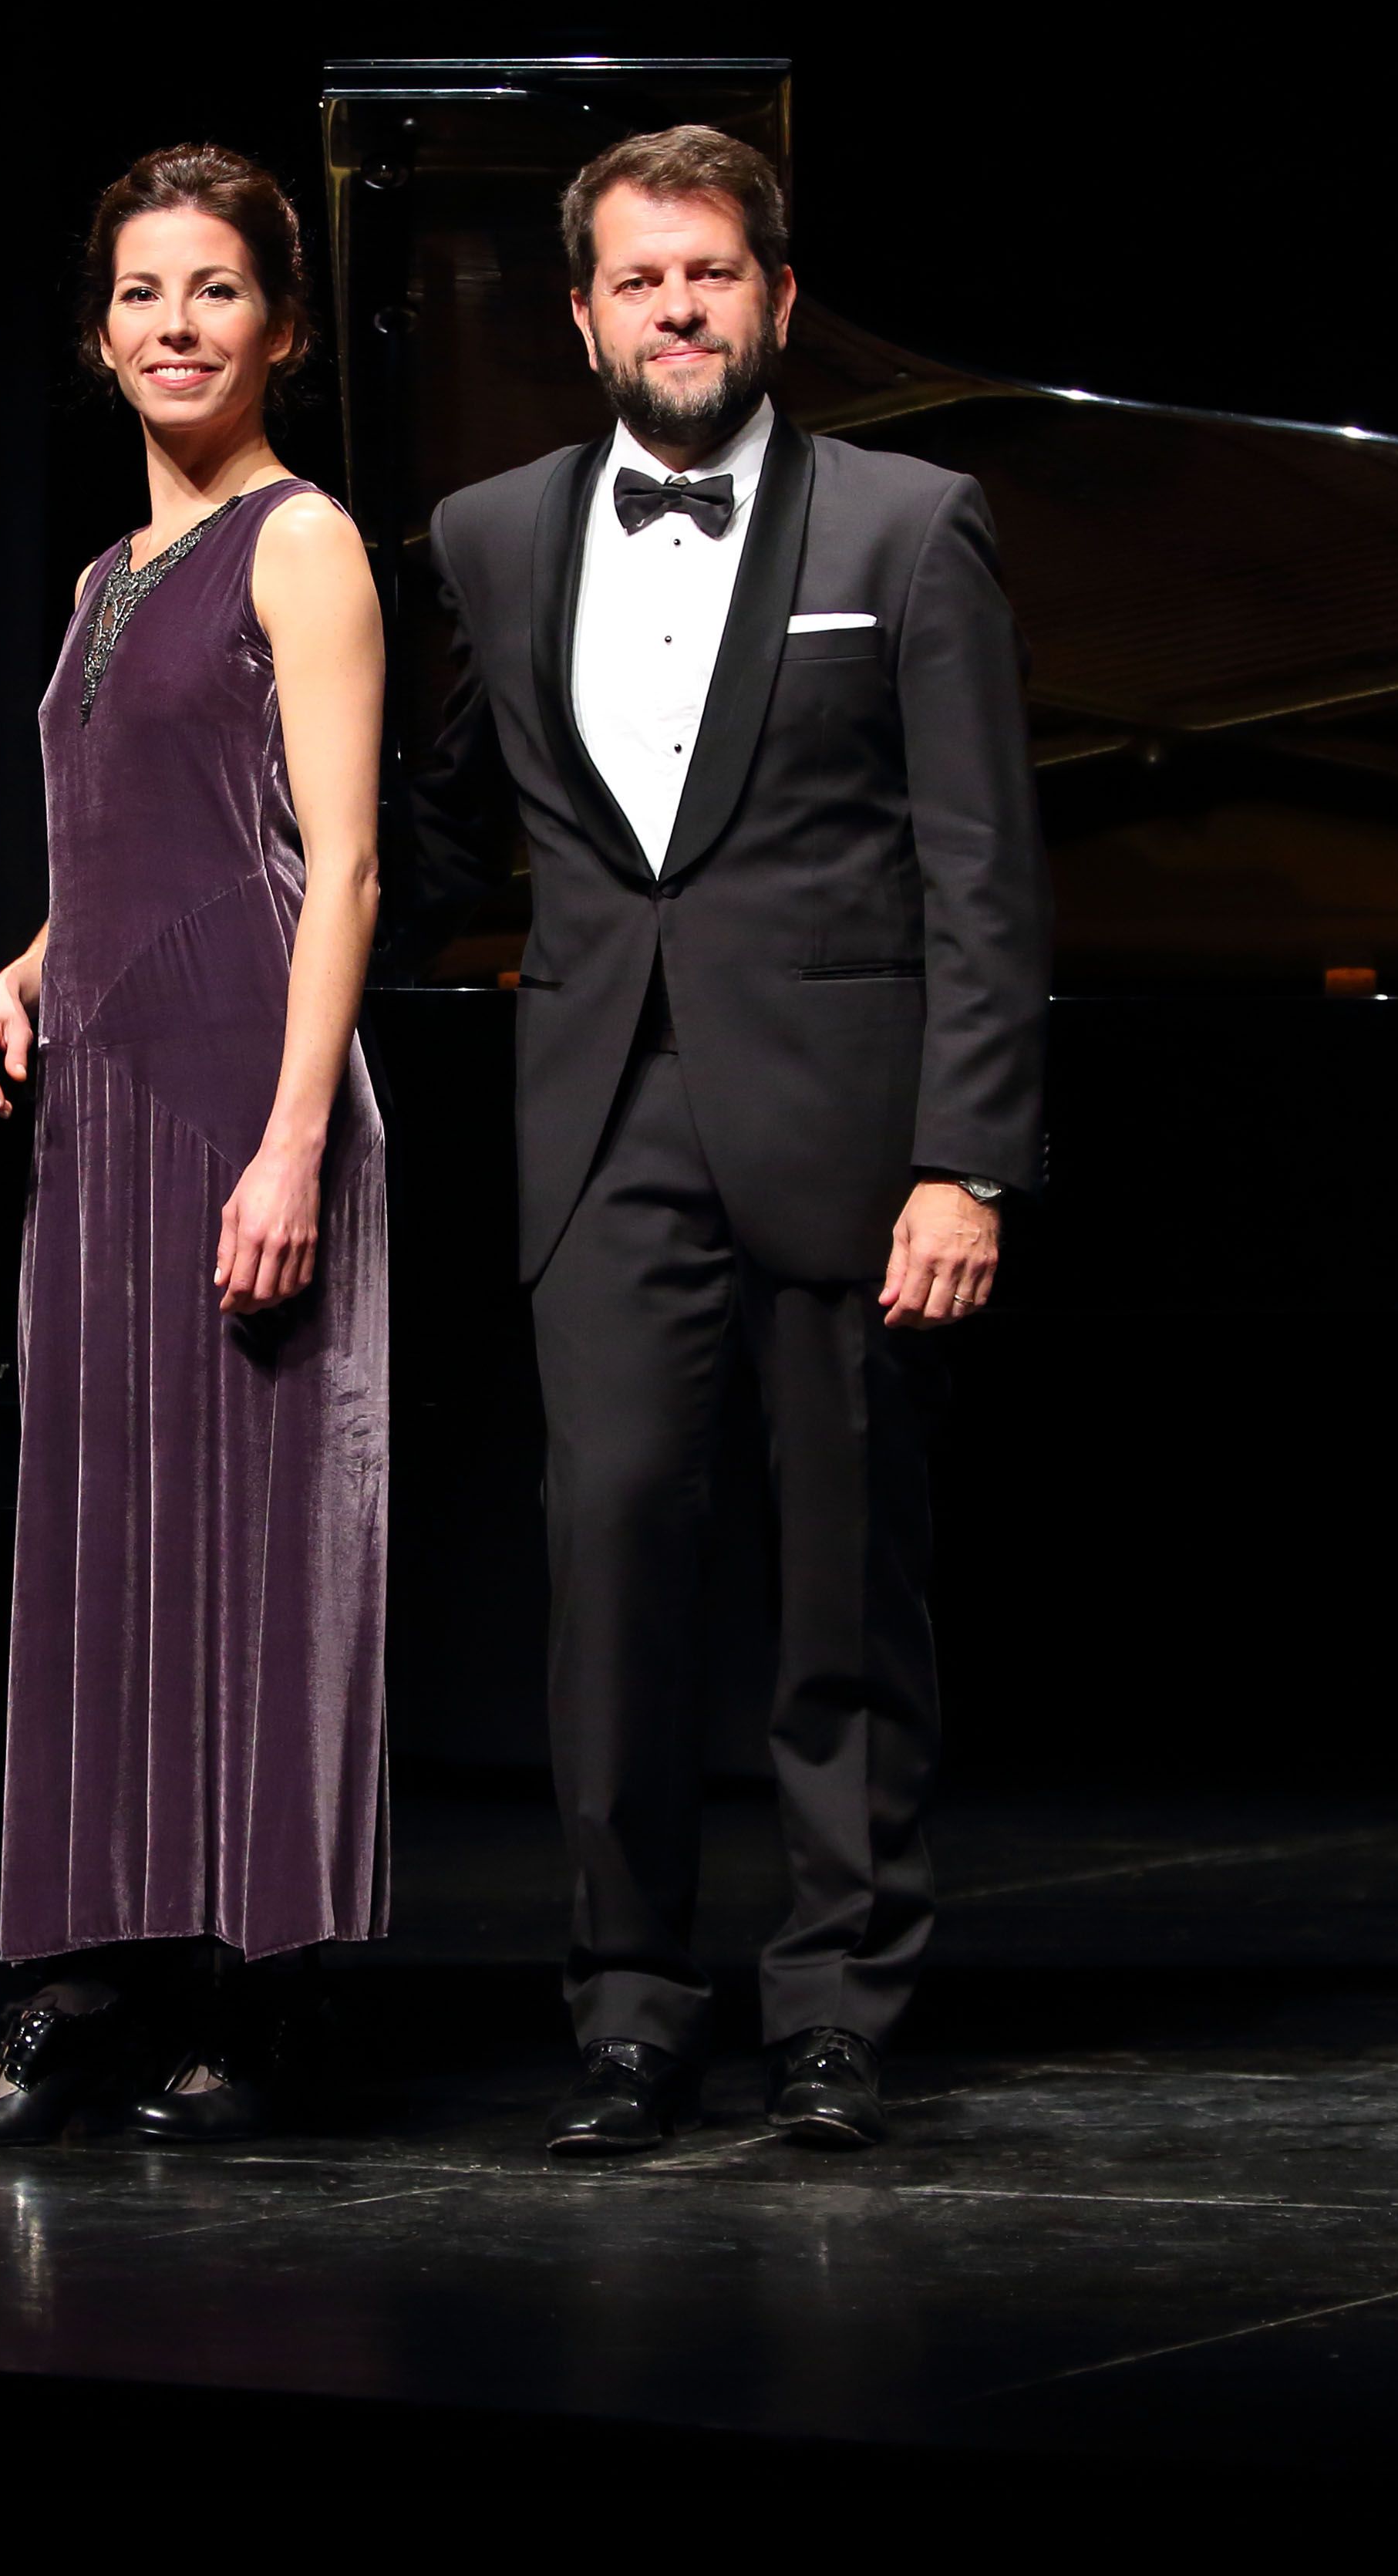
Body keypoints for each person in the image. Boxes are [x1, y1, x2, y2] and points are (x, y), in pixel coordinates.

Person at [397, 126, 1049, 2160]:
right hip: (601, 1121)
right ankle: (626, 2001)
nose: (677, 305)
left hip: (853, 1138)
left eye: (713, 271)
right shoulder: (485, 535)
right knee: (608, 1572)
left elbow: (985, 870)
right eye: (638, 277)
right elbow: (419, 835)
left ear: (778, 296)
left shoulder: (909, 525)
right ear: (584, 315)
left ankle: (841, 2002)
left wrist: (970, 1155)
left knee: (848, 1587)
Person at [0, 147, 390, 2142]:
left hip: (247, 1090)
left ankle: (255, 1998)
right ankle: (83, 1981)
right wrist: (17, 971)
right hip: (106, 1108)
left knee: (258, 1560)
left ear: (279, 325)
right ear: (99, 330)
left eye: (215, 290)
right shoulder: (102, 583)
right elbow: (129, 847)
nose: (175, 326)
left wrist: (293, 1142)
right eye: (141, 292)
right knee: (100, 1556)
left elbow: (344, 859)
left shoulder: (307, 543)